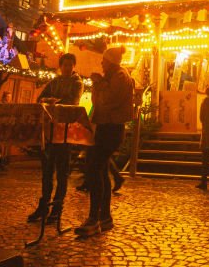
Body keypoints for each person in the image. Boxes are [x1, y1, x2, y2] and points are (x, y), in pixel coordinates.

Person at [75, 47, 134, 237]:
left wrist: (98, 84)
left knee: (93, 168)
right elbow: (99, 101)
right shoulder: (112, 76)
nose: (101, 63)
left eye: (104, 60)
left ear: (110, 61)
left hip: (111, 127)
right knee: (99, 169)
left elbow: (106, 100)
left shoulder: (119, 77)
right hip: (106, 126)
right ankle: (104, 216)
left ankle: (94, 218)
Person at [28, 53, 84, 223]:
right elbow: (40, 98)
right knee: (47, 171)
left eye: (69, 65)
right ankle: (43, 205)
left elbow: (72, 102)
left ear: (73, 66)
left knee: (61, 172)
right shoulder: (55, 82)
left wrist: (56, 101)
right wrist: (47, 99)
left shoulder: (77, 83)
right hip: (51, 131)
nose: (66, 68)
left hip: (65, 131)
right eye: (64, 65)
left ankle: (57, 208)